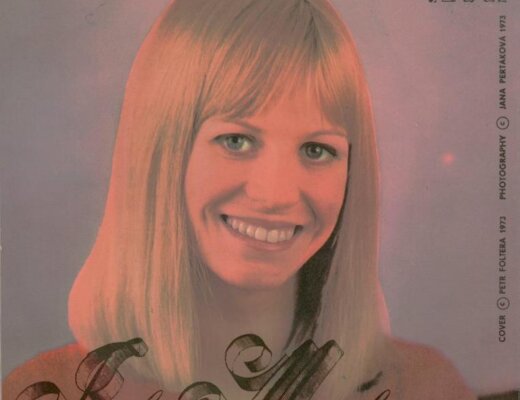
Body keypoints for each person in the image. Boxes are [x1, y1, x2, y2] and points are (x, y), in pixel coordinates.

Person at [4, 0, 476, 399]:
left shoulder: (425, 386)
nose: (276, 194)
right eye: (237, 140)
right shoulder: (48, 389)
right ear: (161, 152)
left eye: (317, 150)